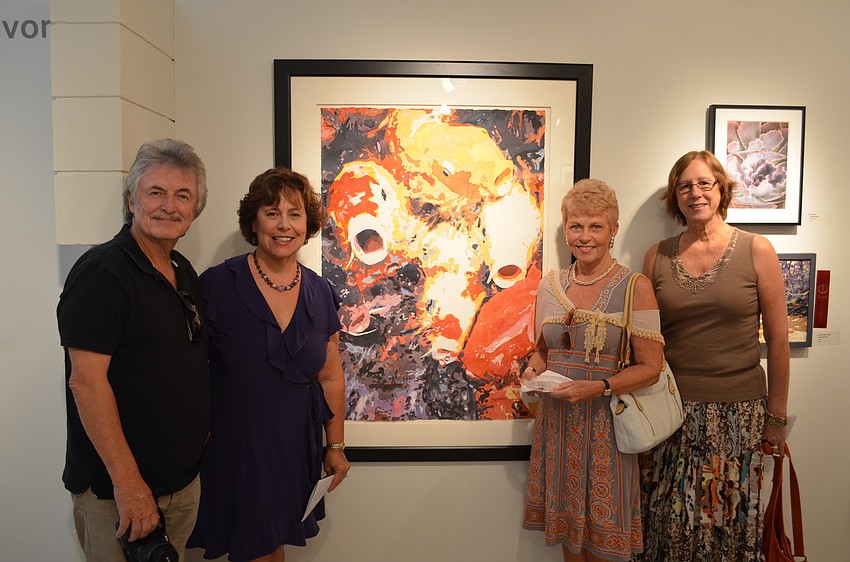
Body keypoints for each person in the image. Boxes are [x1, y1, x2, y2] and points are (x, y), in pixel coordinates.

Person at [57, 139, 211, 561]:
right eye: (155, 192)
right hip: (120, 494)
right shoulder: (103, 274)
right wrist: (129, 485)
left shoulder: (182, 271)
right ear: (132, 200)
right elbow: (86, 383)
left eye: (183, 196)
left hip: (178, 486)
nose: (169, 206)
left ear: (194, 211)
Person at [187, 167, 350, 562]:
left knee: (270, 547)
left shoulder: (320, 292)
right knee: (252, 546)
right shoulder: (214, 285)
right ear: (253, 221)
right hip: (233, 443)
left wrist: (336, 447)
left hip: (294, 445)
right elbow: (190, 371)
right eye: (271, 212)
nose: (283, 225)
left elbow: (330, 376)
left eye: (294, 214)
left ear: (307, 223)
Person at [639, 150, 791, 561]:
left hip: (738, 415)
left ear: (721, 189)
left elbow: (778, 340)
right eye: (684, 186)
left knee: (726, 525)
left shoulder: (757, 250)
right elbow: (645, 339)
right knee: (667, 525)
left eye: (704, 183)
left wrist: (776, 418)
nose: (695, 193)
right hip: (670, 413)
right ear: (675, 197)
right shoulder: (656, 256)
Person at [522, 179, 664, 562]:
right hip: (557, 426)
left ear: (613, 230)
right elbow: (542, 351)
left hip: (606, 427)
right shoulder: (549, 285)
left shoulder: (636, 286)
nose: (585, 237)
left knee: (604, 544)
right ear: (565, 229)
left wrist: (598, 387)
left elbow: (652, 368)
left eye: (595, 226)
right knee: (570, 540)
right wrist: (531, 374)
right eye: (576, 226)